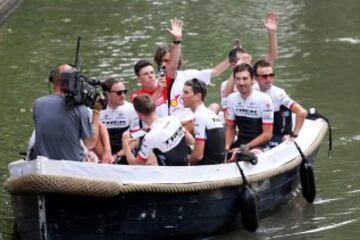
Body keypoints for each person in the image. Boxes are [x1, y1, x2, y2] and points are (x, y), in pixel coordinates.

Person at [153, 21, 230, 127]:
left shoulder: (187, 75)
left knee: (214, 106)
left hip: (192, 123)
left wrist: (231, 59)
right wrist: (177, 40)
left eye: (169, 60)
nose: (166, 64)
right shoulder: (155, 83)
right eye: (164, 61)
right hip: (173, 127)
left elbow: (215, 72)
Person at [33, 64, 102, 161]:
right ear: (70, 79)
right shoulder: (79, 108)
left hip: (45, 166)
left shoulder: (37, 104)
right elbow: (90, 143)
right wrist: (97, 110)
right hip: (71, 167)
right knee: (93, 158)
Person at [130, 18, 183, 118]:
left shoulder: (165, 84)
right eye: (146, 74)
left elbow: (173, 64)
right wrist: (158, 91)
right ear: (139, 79)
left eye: (152, 72)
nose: (150, 76)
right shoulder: (136, 96)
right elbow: (145, 109)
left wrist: (177, 40)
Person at [122, 94, 194, 166]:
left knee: (145, 152)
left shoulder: (149, 137)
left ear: (139, 114)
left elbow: (136, 164)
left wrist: (125, 144)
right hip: (187, 164)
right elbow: (191, 140)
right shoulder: (173, 119)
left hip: (171, 173)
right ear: (155, 107)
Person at [222, 10, 278, 100]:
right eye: (242, 59)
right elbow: (226, 97)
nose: (246, 61)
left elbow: (271, 56)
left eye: (246, 57)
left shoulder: (258, 76)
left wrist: (272, 33)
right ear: (233, 65)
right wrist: (237, 68)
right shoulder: (227, 84)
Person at [253, 59, 307, 145]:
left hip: (277, 134)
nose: (269, 79)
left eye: (271, 75)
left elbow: (302, 112)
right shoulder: (253, 89)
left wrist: (293, 135)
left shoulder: (279, 94)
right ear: (255, 78)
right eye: (264, 76)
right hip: (259, 131)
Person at [225, 64, 274, 157]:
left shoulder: (264, 100)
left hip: (260, 145)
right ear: (234, 80)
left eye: (245, 78)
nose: (241, 83)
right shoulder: (231, 99)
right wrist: (226, 148)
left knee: (245, 157)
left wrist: (244, 148)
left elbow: (267, 134)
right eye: (238, 79)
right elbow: (231, 128)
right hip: (241, 142)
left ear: (252, 80)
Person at [97, 77, 141, 163]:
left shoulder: (131, 109)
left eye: (124, 92)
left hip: (123, 153)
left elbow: (136, 140)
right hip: (101, 154)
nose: (123, 96)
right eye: (119, 93)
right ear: (107, 94)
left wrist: (116, 156)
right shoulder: (96, 110)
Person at [182, 79, 225, 165]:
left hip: (207, 166)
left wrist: (185, 165)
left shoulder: (199, 116)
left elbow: (198, 156)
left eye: (186, 93)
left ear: (198, 96)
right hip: (217, 163)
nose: (182, 96)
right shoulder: (208, 113)